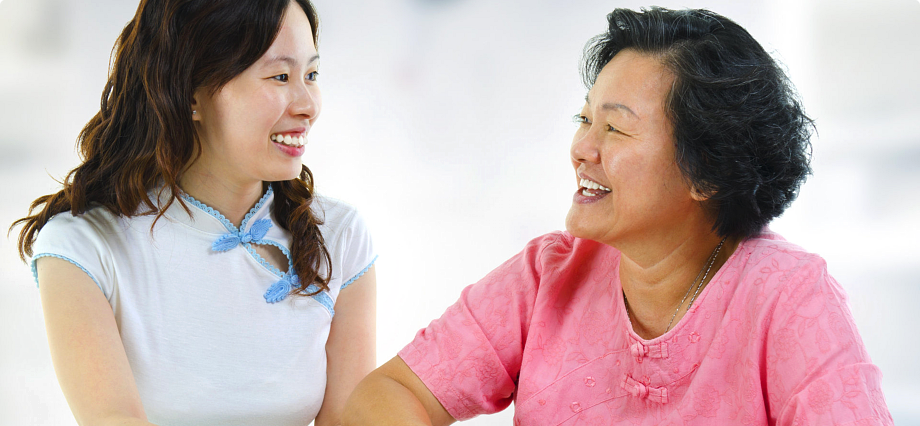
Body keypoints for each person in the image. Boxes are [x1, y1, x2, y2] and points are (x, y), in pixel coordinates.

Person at [342, 7, 892, 425]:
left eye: (616, 128)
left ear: (708, 172)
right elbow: (387, 394)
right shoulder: (549, 273)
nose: (583, 147)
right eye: (585, 119)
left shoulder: (790, 296)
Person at [10, 0, 376, 425]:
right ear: (190, 93)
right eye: (280, 76)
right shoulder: (85, 247)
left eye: (311, 75)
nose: (308, 105)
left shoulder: (340, 235)